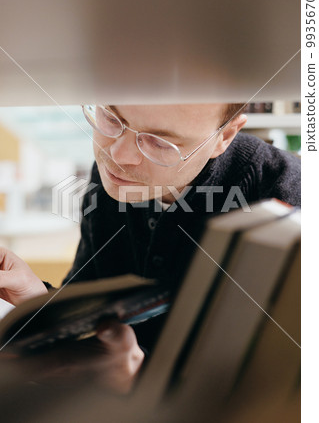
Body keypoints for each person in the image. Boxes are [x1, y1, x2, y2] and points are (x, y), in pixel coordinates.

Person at [0, 103, 301, 392]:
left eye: (159, 143)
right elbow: (88, 302)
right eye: (112, 118)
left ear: (224, 136)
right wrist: (37, 302)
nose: (117, 155)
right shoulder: (111, 181)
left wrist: (140, 382)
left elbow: (282, 395)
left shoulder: (292, 201)